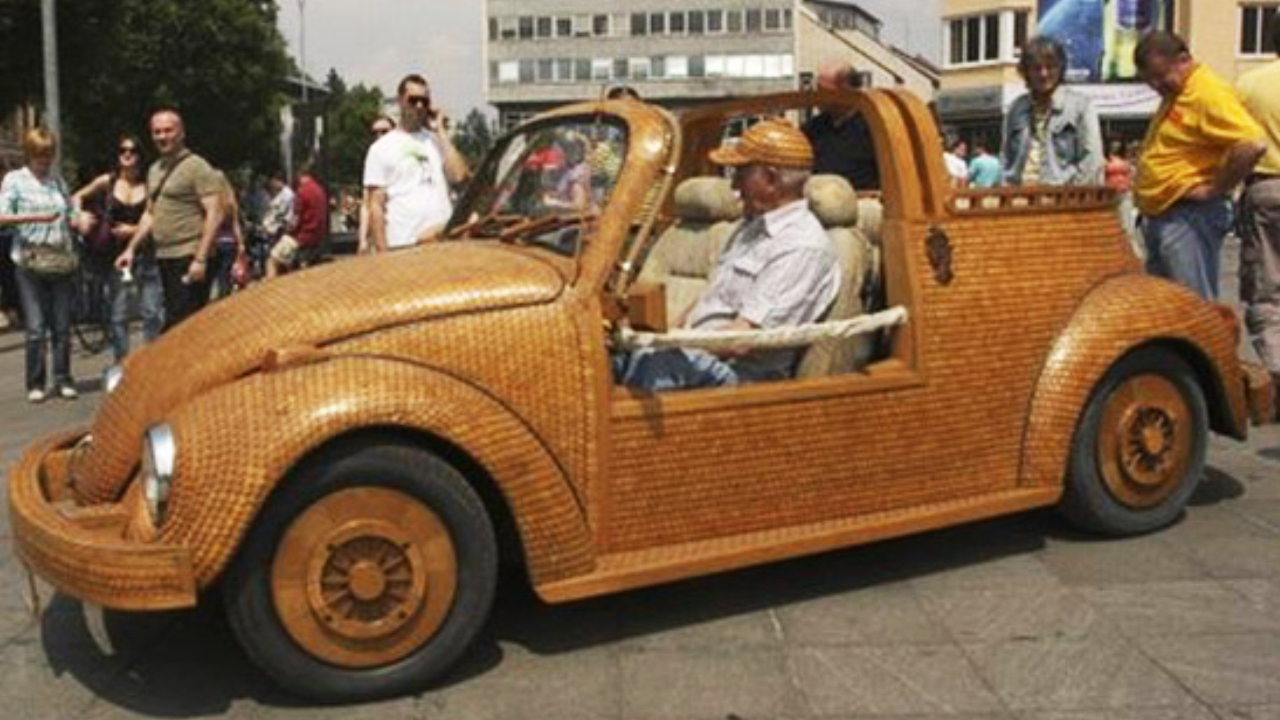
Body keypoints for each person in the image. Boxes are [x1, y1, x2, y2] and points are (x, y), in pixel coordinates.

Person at [616, 119, 841, 392]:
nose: (734, 187)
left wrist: (668, 345)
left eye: (740, 174)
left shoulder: (802, 247)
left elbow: (742, 341)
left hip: (741, 380)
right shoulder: (750, 228)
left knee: (649, 367)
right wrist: (657, 336)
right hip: (697, 356)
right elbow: (712, 299)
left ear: (771, 179)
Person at [1133, 31, 1267, 300]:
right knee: (1168, 309)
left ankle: (1204, 345)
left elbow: (1252, 144)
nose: (1156, 85)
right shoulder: (1179, 93)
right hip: (1166, 215)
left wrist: (1215, 189)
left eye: (1161, 76)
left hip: (1188, 218)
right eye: (1149, 80)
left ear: (1184, 59)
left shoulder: (1206, 93)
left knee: (1194, 309)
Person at [116, 109, 225, 329]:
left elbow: (216, 211)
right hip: (164, 256)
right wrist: (131, 249)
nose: (162, 137)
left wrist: (201, 258)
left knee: (179, 326)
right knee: (176, 324)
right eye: (157, 132)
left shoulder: (196, 166)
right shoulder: (155, 169)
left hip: (189, 254)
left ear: (181, 133)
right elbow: (150, 213)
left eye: (168, 131)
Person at [0, 129, 78, 402]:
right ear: (29, 154)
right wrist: (37, 217)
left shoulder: (57, 182)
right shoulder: (15, 180)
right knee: (35, 326)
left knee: (62, 325)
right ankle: (35, 382)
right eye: (39, 155)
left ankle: (63, 378)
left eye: (48, 154)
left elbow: (69, 212)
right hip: (29, 260)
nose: (44, 160)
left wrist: (78, 218)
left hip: (59, 258)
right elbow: (2, 217)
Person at [71, 134, 163, 361]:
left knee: (152, 313)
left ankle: (152, 363)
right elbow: (77, 196)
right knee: (118, 314)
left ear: (141, 156)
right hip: (115, 257)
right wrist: (79, 214)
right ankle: (121, 362)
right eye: (123, 150)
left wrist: (134, 231)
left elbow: (160, 216)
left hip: (147, 253)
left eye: (133, 150)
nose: (127, 154)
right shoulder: (107, 181)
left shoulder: (151, 185)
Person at [363, 74, 469, 252]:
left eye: (424, 101)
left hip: (442, 240)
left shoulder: (436, 141)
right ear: (400, 101)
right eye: (413, 100)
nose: (419, 106)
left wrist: (441, 131)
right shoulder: (380, 148)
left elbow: (460, 177)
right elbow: (376, 205)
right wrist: (383, 252)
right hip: (404, 243)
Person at [1235, 13, 1280, 398]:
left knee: (1265, 293)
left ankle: (1278, 376)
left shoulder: (1249, 86)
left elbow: (1234, 142)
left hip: (1267, 189)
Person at [1002, 36, 1104, 187]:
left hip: (1062, 201)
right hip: (1019, 200)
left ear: (1061, 68)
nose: (1043, 74)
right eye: (1036, 68)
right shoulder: (1016, 108)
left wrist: (1071, 198)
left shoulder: (1080, 106)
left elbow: (1092, 161)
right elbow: (1005, 158)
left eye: (1050, 67)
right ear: (1027, 72)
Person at [803, 59, 880, 191]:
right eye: (817, 90)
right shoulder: (813, 128)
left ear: (846, 90)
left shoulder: (874, 127)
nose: (818, 97)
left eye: (825, 92)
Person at [267, 161, 329, 278]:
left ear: (299, 175)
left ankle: (271, 291)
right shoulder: (319, 189)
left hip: (301, 237)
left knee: (272, 261)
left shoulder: (302, 192)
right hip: (317, 237)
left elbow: (295, 221)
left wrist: (285, 231)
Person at [357, 115, 395, 254]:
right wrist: (362, 239)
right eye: (375, 133)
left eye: (384, 131)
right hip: (381, 234)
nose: (379, 136)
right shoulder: (373, 157)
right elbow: (366, 203)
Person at [209, 172, 246, 298]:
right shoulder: (231, 202)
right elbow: (236, 225)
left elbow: (214, 224)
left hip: (216, 242)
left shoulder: (213, 202)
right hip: (230, 243)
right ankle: (224, 301)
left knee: (212, 277)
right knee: (225, 277)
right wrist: (241, 243)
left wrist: (210, 241)